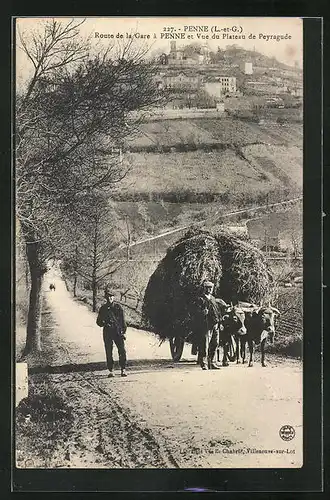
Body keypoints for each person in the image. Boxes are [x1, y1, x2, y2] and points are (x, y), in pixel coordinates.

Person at [96, 287, 128, 378]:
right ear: (106, 297)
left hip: (118, 332)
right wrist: (104, 323)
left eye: (111, 296)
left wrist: (124, 331)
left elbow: (123, 321)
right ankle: (111, 370)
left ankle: (123, 369)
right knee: (108, 351)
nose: (110, 298)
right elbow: (98, 322)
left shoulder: (118, 307)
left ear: (113, 297)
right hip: (107, 332)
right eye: (108, 296)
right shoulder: (103, 308)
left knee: (122, 350)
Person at [196, 280, 221, 370]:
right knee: (205, 344)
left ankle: (212, 362)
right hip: (206, 325)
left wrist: (219, 322)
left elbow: (218, 311)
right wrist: (202, 312)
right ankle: (204, 363)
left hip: (215, 324)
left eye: (211, 288)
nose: (209, 289)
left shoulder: (213, 299)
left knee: (215, 343)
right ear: (204, 289)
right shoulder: (200, 299)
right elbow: (195, 312)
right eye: (207, 288)